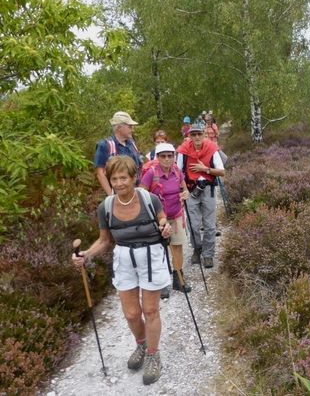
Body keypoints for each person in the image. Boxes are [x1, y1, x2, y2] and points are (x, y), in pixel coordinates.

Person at [71, 156, 172, 385]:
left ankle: (153, 354)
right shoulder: (105, 207)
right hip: (124, 257)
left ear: (133, 177)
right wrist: (86, 255)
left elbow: (163, 220)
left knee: (150, 310)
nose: (118, 183)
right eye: (114, 179)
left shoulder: (149, 199)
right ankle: (141, 343)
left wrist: (165, 227)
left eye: (123, 178)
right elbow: (104, 240)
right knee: (131, 314)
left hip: (151, 255)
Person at [141, 142, 191, 297]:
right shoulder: (151, 173)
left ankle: (178, 279)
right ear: (157, 157)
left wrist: (185, 194)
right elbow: (141, 193)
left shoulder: (177, 171)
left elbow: (185, 188)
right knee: (159, 250)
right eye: (163, 156)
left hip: (176, 215)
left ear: (174, 157)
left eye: (170, 156)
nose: (167, 159)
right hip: (158, 219)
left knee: (177, 246)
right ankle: (162, 283)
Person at [176, 123, 225, 268]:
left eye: (199, 134)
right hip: (190, 190)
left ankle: (208, 254)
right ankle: (197, 249)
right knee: (193, 225)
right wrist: (181, 190)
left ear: (204, 134)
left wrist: (205, 169)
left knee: (210, 226)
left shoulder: (212, 149)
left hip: (208, 189)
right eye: (193, 134)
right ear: (189, 136)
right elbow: (178, 173)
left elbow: (222, 172)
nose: (196, 137)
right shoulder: (183, 151)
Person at [94, 111, 142, 196]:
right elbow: (100, 173)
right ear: (119, 127)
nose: (132, 129)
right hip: (118, 193)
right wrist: (111, 196)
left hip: (135, 192)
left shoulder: (132, 143)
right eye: (130, 127)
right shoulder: (105, 145)